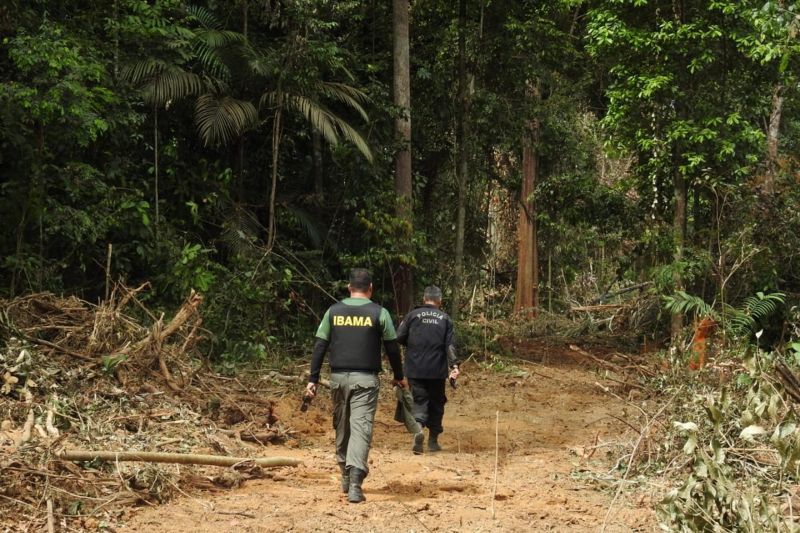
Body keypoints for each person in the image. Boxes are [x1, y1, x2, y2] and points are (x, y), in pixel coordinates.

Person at [305, 268, 405, 503]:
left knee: (342, 427)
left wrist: (313, 379)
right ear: (370, 289)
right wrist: (399, 376)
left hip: (338, 379)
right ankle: (356, 484)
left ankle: (345, 475)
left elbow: (320, 345)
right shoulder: (379, 313)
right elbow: (392, 348)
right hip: (366, 381)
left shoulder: (333, 311)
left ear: (349, 288)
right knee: (360, 429)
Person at [396, 286, 460, 454]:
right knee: (437, 402)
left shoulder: (412, 316)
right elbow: (450, 345)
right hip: (437, 370)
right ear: (439, 301)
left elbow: (399, 336)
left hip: (415, 368)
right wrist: (454, 366)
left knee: (419, 400)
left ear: (424, 299)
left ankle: (418, 430)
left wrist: (414, 345)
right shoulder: (445, 319)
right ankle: (433, 441)